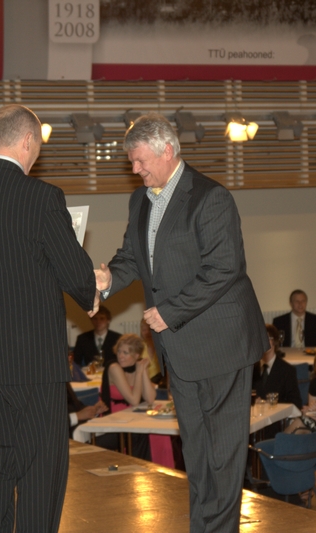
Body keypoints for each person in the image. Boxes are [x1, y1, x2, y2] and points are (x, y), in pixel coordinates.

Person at [94, 113, 267, 532]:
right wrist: (108, 279)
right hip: (179, 347)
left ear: (167, 150)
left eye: (140, 160)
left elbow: (224, 268)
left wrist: (170, 312)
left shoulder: (210, 197)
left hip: (222, 343)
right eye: (132, 162)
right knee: (198, 452)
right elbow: (132, 258)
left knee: (223, 455)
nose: (135, 169)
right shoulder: (140, 200)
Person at [0, 104, 97, 533]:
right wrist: (92, 288)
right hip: (33, 361)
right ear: (28, 141)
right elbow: (76, 274)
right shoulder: (42, 197)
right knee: (40, 468)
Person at [100, 333, 172, 466]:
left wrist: (143, 371)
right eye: (119, 351)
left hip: (133, 415)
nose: (120, 356)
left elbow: (150, 398)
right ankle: (141, 467)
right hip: (116, 417)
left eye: (126, 353)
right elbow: (134, 400)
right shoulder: (114, 368)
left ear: (136, 355)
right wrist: (139, 372)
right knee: (147, 432)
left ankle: (160, 469)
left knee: (159, 434)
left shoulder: (137, 367)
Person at [252, 324, 302, 408]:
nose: (263, 343)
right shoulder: (251, 370)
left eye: (267, 338)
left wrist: (272, 404)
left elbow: (296, 403)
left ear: (274, 341)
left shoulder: (287, 371)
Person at [140, 317, 163, 384]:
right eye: (144, 330)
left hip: (161, 383)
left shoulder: (162, 347)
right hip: (143, 383)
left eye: (150, 329)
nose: (147, 332)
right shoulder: (138, 347)